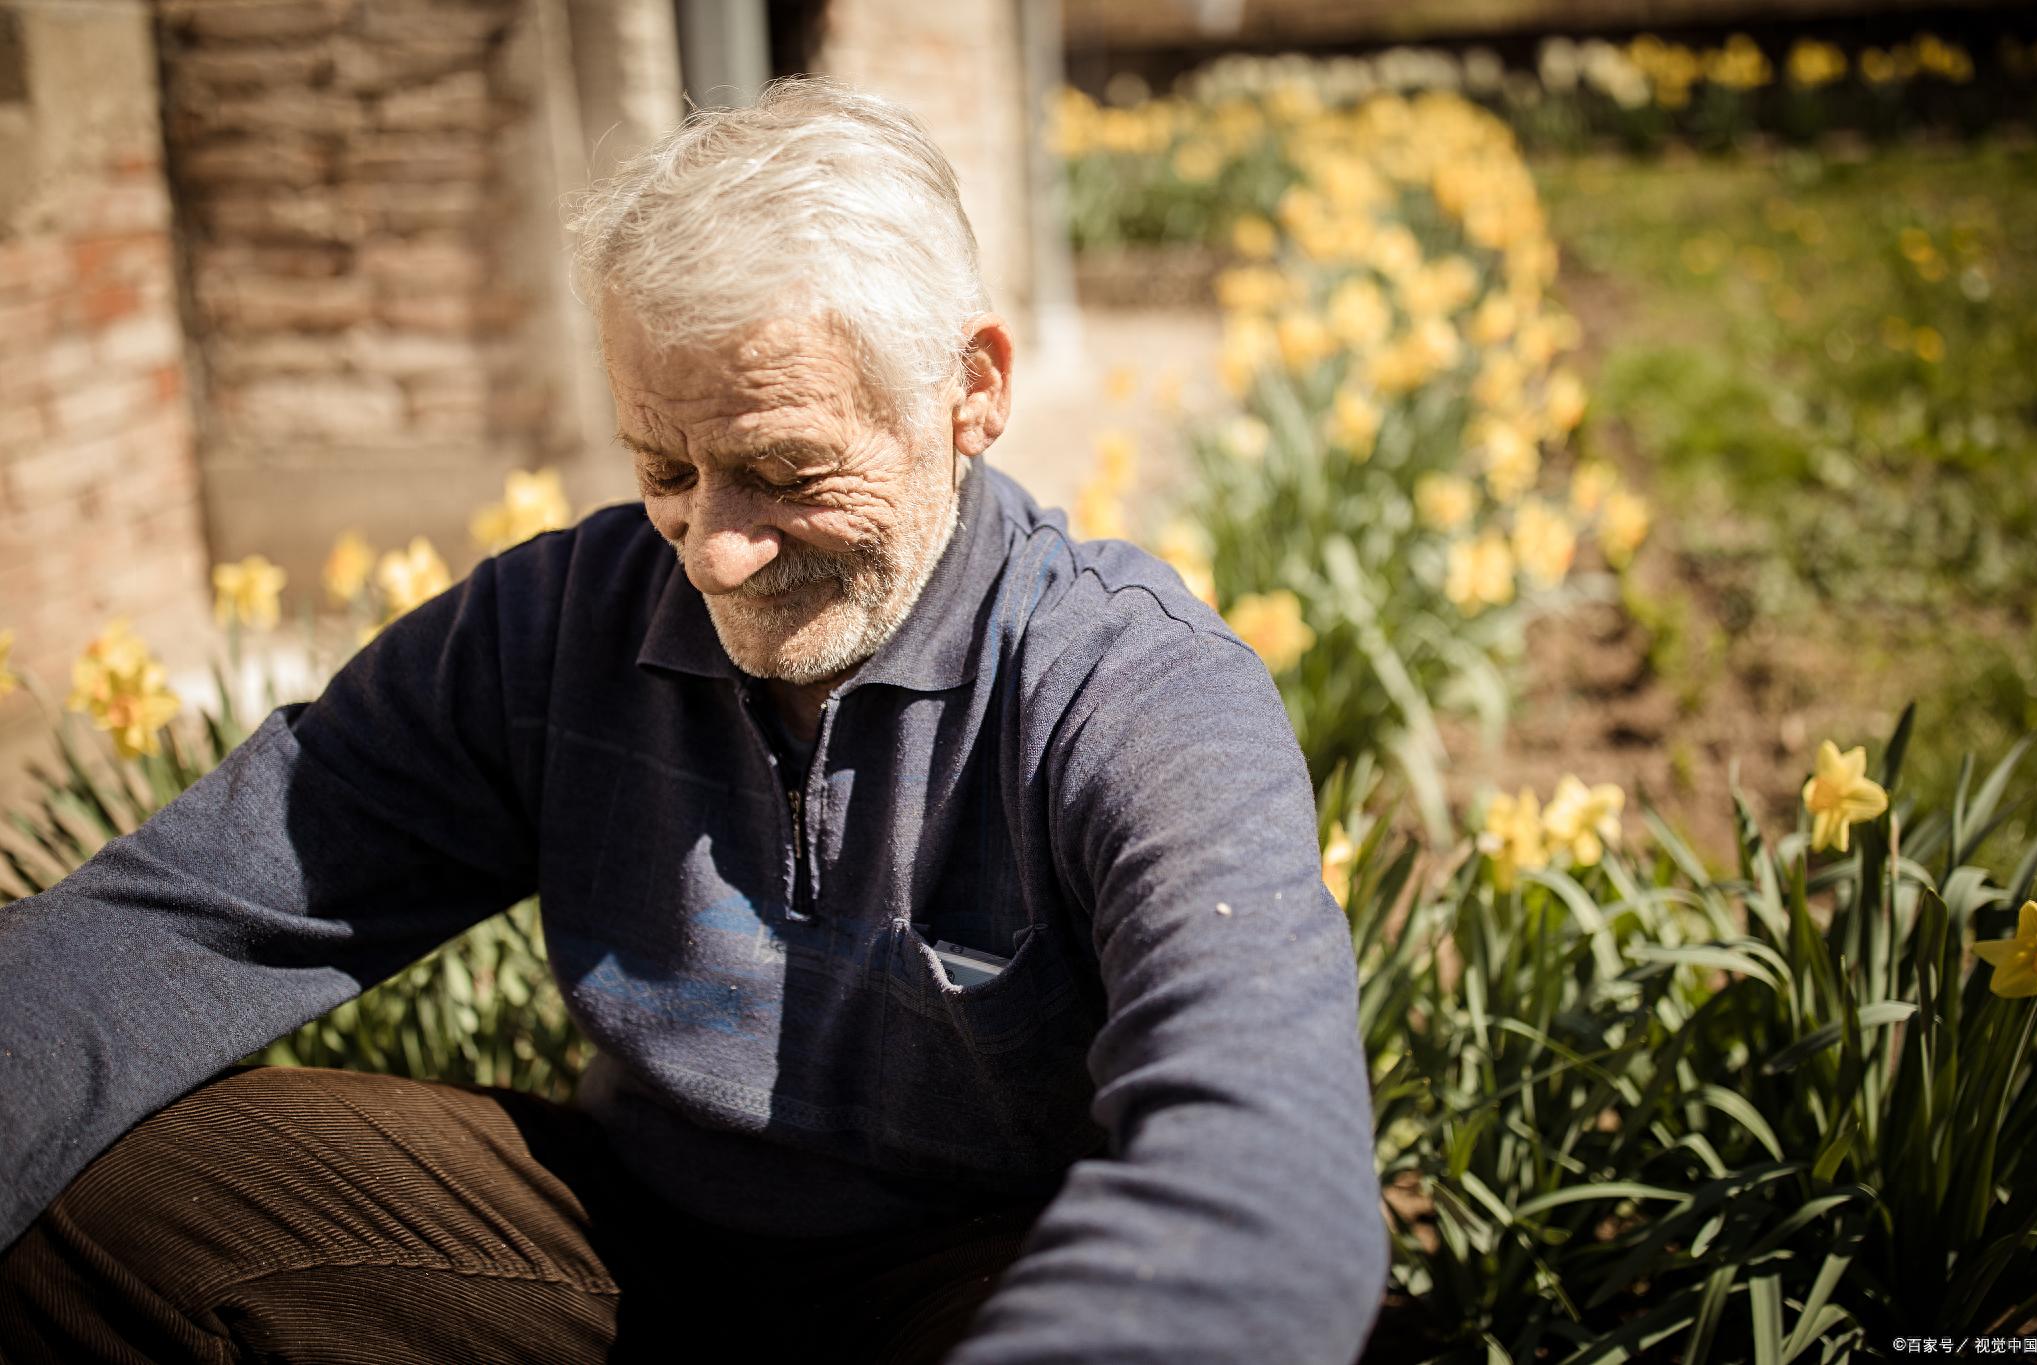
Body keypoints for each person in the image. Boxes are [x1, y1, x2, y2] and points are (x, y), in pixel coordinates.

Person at [0, 78, 1387, 1363]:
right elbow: (180, 916)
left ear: (972, 391)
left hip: (976, 1289)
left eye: (787, 471)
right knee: (110, 1190)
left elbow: (1257, 1153)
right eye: (665, 468)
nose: (714, 553)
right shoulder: (558, 625)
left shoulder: (1128, 688)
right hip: (625, 1257)